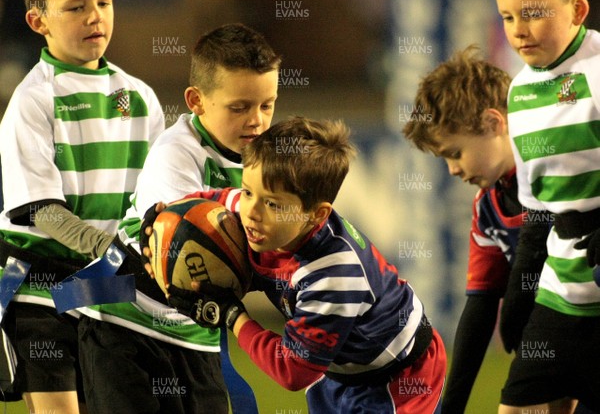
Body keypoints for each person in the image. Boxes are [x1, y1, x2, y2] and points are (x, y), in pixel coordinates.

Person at [142, 117, 447, 413]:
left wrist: (232, 315)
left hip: (396, 377)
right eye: (248, 191)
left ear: (316, 214)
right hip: (338, 366)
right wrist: (161, 224)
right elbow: (207, 203)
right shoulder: (249, 214)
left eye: (273, 204)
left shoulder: (332, 276)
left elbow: (292, 371)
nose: (251, 211)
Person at [74, 23, 281, 413]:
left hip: (191, 330)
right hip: (122, 321)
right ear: (196, 100)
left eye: (267, 105)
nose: (257, 121)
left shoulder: (266, 159)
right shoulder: (176, 154)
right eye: (239, 107)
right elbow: (193, 242)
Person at [0, 0, 164, 413]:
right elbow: (42, 211)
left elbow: (156, 201)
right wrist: (109, 250)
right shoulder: (31, 101)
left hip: (108, 290)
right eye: (76, 7)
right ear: (39, 22)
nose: (95, 17)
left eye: (104, 3)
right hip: (40, 289)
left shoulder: (140, 97)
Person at [401, 46, 544, 413]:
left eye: (455, 153)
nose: (452, 169)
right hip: (554, 338)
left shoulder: (559, 171)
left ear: (494, 123)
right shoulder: (487, 207)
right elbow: (481, 307)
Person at [494, 0, 600, 412]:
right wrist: (521, 292)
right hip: (560, 295)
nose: (518, 29)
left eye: (532, 14)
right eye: (506, 16)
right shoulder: (518, 92)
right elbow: (536, 210)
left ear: (577, 9)